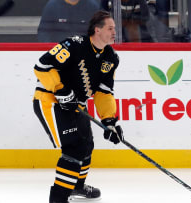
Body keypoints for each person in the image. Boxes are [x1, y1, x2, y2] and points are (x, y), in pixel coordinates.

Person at [33, 11, 124, 203]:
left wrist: (110, 122)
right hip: (50, 101)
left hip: (77, 106)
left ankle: (77, 187)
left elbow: (104, 92)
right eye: (110, 28)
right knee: (74, 147)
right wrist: (61, 89)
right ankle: (58, 199)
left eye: (115, 28)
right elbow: (42, 66)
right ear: (97, 30)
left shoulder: (111, 58)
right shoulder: (74, 44)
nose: (115, 32)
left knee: (86, 145)